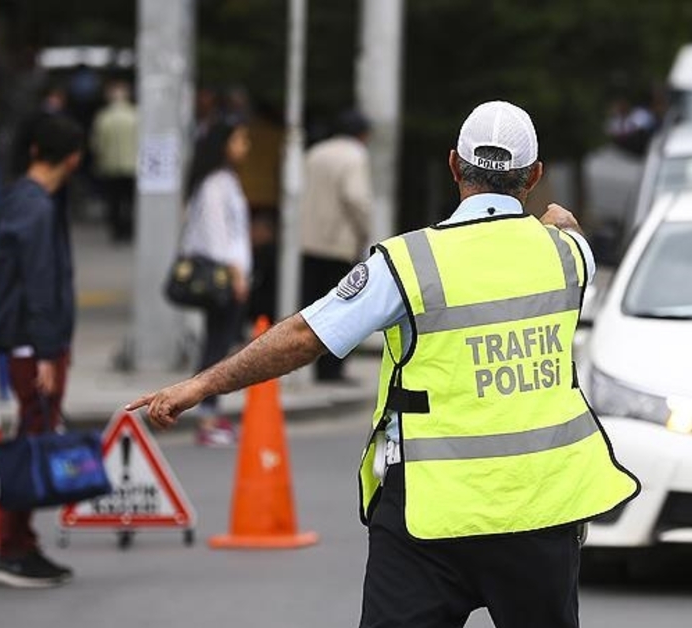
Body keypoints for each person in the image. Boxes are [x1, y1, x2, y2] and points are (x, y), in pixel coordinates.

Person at [128, 101, 639, 627]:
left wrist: (202, 384)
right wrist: (558, 222)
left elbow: (306, 336)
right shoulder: (570, 256)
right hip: (540, 510)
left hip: (428, 514)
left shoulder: (407, 264)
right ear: (534, 175)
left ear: (452, 165)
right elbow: (568, 227)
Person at [0, 115, 84, 588]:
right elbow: (40, 285)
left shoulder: (19, 198)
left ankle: (21, 543)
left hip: (28, 342)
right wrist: (48, 352)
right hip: (33, 345)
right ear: (73, 158)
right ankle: (11, 549)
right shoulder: (37, 208)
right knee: (32, 440)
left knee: (33, 433)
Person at [179, 120, 252, 447]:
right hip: (223, 277)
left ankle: (210, 411)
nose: (245, 146)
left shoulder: (225, 180)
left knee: (219, 342)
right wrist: (236, 275)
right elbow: (217, 236)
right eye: (240, 139)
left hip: (230, 274)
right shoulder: (214, 184)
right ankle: (206, 415)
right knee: (216, 345)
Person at [299, 109, 373, 382]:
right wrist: (364, 230)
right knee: (342, 309)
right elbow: (356, 197)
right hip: (339, 243)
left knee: (314, 306)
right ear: (363, 134)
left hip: (309, 240)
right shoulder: (355, 155)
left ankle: (315, 366)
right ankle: (333, 370)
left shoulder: (315, 152)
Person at [91, 82, 139, 243]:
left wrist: (99, 160)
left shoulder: (103, 117)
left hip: (110, 165)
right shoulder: (135, 115)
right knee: (130, 200)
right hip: (133, 165)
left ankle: (117, 230)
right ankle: (129, 229)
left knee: (114, 200)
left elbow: (97, 143)